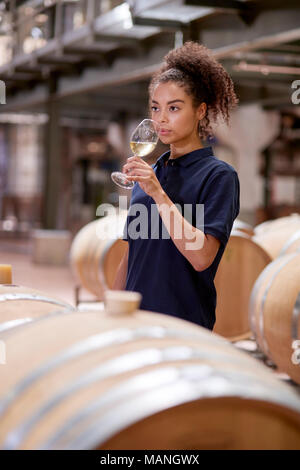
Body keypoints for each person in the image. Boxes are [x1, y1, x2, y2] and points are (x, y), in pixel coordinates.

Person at [113, 41, 240, 330]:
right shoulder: (150, 174)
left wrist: (158, 194)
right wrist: (114, 310)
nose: (161, 119)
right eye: (156, 108)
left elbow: (201, 257)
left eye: (174, 108)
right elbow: (133, 254)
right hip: (135, 323)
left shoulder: (219, 176)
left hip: (183, 327)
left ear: (200, 111)